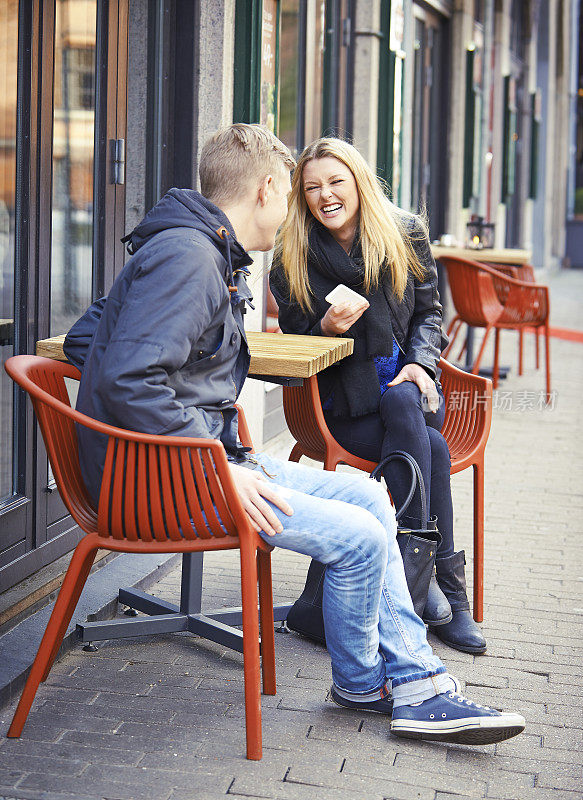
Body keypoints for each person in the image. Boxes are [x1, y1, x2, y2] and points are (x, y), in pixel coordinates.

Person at [65, 123, 524, 746]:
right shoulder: (190, 258)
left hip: (190, 462)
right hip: (173, 480)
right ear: (269, 187)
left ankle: (366, 682)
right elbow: (125, 374)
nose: (292, 213)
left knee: (371, 500)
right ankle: (415, 690)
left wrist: (196, 408)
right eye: (291, 194)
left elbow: (87, 343)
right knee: (362, 536)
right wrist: (215, 460)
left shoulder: (188, 246)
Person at [270, 137, 485, 655]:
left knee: (403, 401)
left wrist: (418, 363)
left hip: (408, 392)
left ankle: (420, 578)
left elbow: (430, 314)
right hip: (342, 411)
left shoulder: (405, 234)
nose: (325, 196)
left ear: (359, 182)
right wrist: (325, 327)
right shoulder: (293, 256)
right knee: (430, 447)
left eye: (335, 182)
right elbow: (295, 349)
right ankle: (442, 593)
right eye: (313, 187)